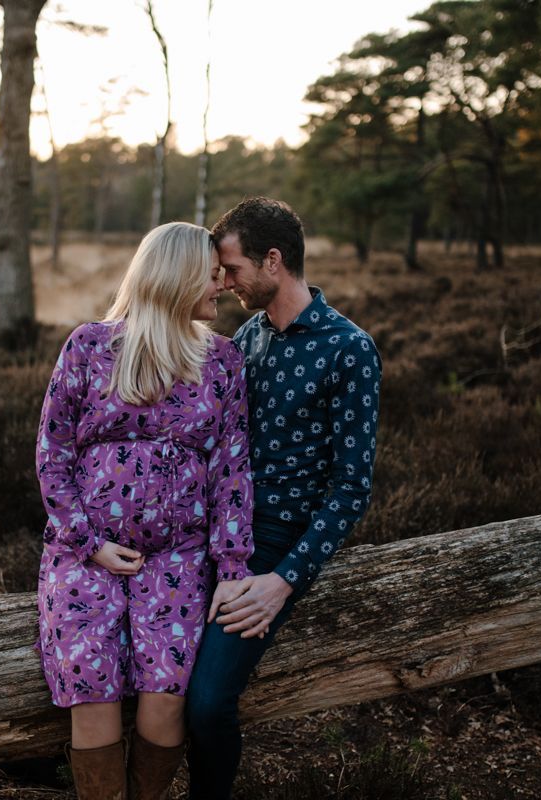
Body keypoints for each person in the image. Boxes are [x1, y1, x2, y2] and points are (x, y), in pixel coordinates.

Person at [35, 221, 256, 800]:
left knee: (164, 701)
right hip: (86, 558)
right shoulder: (89, 345)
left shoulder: (223, 360)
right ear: (177, 278)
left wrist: (231, 568)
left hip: (179, 560)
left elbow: (233, 470)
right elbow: (52, 452)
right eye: (211, 277)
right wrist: (87, 542)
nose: (221, 288)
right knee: (94, 696)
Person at [185, 197, 382, 799]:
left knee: (208, 702)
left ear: (274, 260)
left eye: (234, 269)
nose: (226, 283)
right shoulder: (245, 339)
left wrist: (283, 580)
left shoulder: (349, 349)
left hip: (276, 543)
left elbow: (351, 488)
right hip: (217, 534)